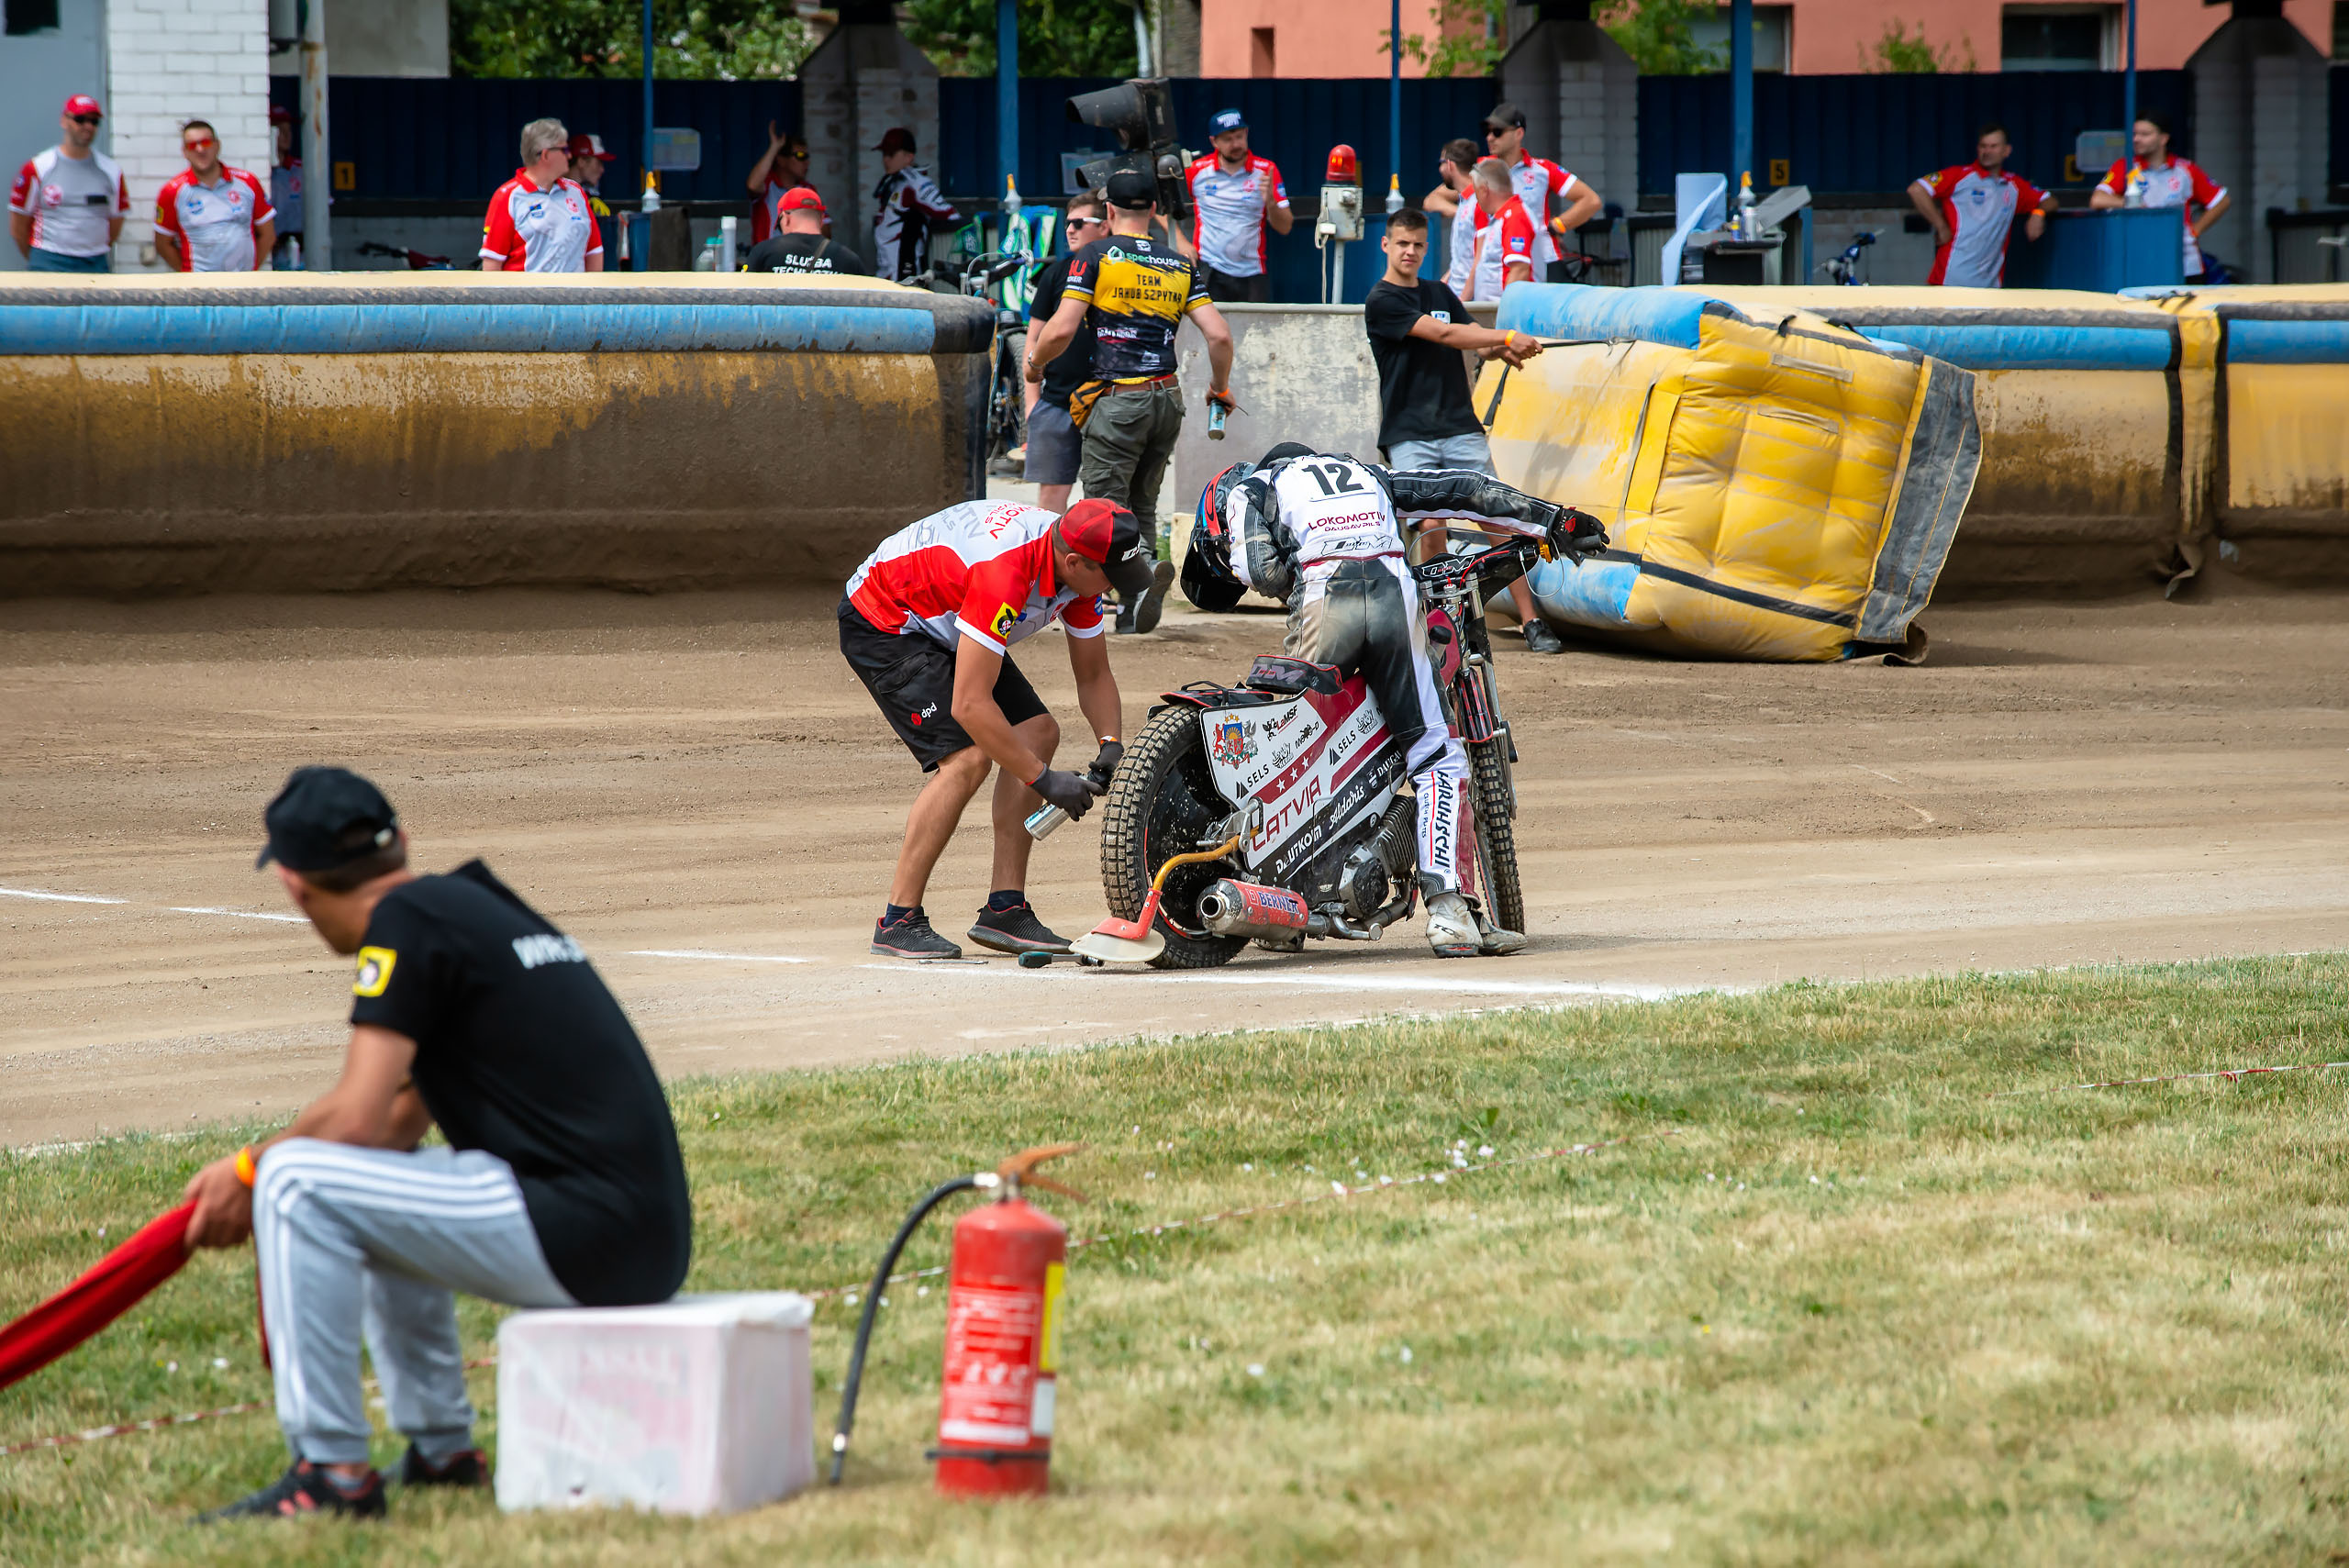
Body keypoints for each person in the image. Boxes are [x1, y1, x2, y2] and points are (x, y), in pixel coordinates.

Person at [184, 766, 691, 1521]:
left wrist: (251, 1167)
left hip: (588, 1229)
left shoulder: (405, 924)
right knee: (375, 1171)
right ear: (404, 844)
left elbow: (356, 1114)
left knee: (294, 1180)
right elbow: (390, 1127)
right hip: (639, 1234)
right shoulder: (476, 904)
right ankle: (443, 1453)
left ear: (294, 884)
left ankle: (331, 1474)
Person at [1185, 447, 1603, 955]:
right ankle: (1449, 914)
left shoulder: (1255, 485)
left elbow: (1262, 572)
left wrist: (1303, 576)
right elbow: (1464, 490)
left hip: (1323, 598)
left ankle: (1282, 905)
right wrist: (1555, 519)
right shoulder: (1366, 473)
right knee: (1436, 754)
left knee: (1295, 745)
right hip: (1392, 593)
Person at [841, 497, 1151, 960]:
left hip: (949, 614)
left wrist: (1111, 743)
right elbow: (969, 705)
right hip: (887, 620)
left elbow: (1093, 675)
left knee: (1037, 733)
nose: (1113, 588)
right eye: (1110, 577)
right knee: (967, 758)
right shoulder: (1004, 572)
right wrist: (1043, 779)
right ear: (1074, 562)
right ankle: (898, 919)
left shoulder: (1078, 573)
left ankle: (1004, 909)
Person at [1026, 169, 1236, 634]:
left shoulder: (1095, 256)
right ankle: (1137, 596)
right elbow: (1219, 335)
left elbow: (1060, 329)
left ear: (1108, 211)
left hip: (1120, 398)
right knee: (1141, 502)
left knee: (1103, 508)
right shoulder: (1181, 264)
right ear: (1155, 212)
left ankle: (1129, 591)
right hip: (1168, 398)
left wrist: (1035, 366)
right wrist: (1219, 387)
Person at [1364, 208, 1561, 653]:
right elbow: (1446, 335)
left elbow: (1469, 335)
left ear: (1425, 248)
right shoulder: (1383, 300)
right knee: (1431, 523)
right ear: (1386, 245)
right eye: (1402, 244)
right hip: (1410, 433)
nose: (1410, 251)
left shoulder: (1439, 291)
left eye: (1417, 244)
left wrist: (1498, 351)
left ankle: (1532, 621)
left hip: (1460, 426)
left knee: (1498, 519)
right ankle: (1442, 626)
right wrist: (1507, 336)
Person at [1022, 192, 1108, 514]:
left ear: (1105, 226)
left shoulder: (1116, 269)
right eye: (1067, 223)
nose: (1069, 229)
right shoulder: (1056, 274)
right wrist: (1032, 403)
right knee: (1049, 505)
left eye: (1079, 222)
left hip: (1106, 403)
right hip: (1057, 404)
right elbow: (1034, 338)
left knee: (1103, 502)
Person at [2091, 111, 2231, 284]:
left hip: (2184, 261)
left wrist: (2196, 230)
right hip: (2141, 258)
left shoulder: (2185, 170)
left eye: (2145, 134)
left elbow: (2221, 201)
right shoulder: (2126, 166)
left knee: (2186, 310)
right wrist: (2131, 203)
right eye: (2134, 134)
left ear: (2163, 139)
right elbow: (2097, 200)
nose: (2136, 139)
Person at [1909, 124, 2054, 289]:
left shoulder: (2013, 185)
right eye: (1983, 146)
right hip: (1950, 280)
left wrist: (2038, 213)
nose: (1987, 151)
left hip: (1989, 287)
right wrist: (1940, 225)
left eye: (1993, 146)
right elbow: (1916, 189)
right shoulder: (1960, 176)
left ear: (2006, 151)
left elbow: (2050, 201)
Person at [1481, 101, 1601, 283]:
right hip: (1496, 260)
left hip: (1542, 258)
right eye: (1487, 132)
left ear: (1518, 134)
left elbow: (1591, 200)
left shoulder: (1542, 170)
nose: (1490, 138)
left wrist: (1559, 225)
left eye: (1497, 132)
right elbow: (1436, 197)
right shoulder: (1481, 168)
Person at [1181, 108, 1292, 303]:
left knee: (1255, 331)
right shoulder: (1197, 171)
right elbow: (1160, 206)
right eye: (1227, 139)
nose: (1236, 144)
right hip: (1209, 268)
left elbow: (1285, 227)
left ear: (1247, 134)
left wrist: (1271, 202)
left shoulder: (1266, 170)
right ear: (1214, 142)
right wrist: (1182, 243)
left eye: (1239, 137)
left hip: (1252, 271)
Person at [9, 94, 128, 274]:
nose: (88, 127)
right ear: (64, 121)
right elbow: (18, 225)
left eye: (94, 122)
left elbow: (116, 222)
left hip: (94, 263)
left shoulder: (111, 171)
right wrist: (40, 258)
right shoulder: (38, 167)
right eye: (80, 120)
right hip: (49, 259)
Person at [481, 119, 602, 273]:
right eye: (564, 150)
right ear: (545, 155)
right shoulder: (509, 196)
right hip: (525, 297)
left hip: (574, 297)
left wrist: (592, 296)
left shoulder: (576, 192)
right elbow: (492, 262)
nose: (570, 155)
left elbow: (594, 250)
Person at [154, 119, 275, 273]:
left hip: (244, 286)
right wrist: (188, 276)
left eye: (205, 143)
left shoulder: (247, 182)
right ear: (184, 152)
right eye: (192, 145)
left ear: (217, 145)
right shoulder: (172, 192)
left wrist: (250, 270)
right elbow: (163, 244)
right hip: (198, 289)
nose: (199, 150)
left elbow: (268, 235)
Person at [871, 126, 958, 283]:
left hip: (904, 276)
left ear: (909, 157)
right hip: (885, 274)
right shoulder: (892, 183)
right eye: (884, 154)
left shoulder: (916, 184)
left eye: (891, 154)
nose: (886, 159)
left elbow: (951, 216)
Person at [739, 185, 869, 276]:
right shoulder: (850, 260)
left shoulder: (762, 253)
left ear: (786, 218)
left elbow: (744, 298)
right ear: (822, 219)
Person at [1464, 157, 1538, 303]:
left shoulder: (1515, 216)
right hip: (1493, 312)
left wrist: (1504, 313)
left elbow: (1519, 270)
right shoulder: (1500, 219)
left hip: (1506, 314)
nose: (1476, 199)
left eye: (1476, 192)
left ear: (1484, 190)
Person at [1420, 137, 1483, 297]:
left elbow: (1481, 258)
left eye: (1440, 163)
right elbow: (1463, 256)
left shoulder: (1479, 204)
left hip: (1470, 297)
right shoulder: (1465, 201)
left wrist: (1463, 301)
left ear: (1449, 164)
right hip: (1458, 293)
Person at [746, 123, 812, 245]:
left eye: (807, 157)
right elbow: (752, 186)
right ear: (781, 159)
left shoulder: (808, 190)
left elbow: (825, 231)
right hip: (767, 260)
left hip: (799, 260)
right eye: (800, 156)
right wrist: (774, 147)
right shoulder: (768, 185)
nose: (806, 162)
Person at [566, 132, 618, 259]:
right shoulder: (553, 188)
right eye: (598, 162)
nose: (602, 169)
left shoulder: (590, 194)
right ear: (582, 161)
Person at [269, 106, 304, 267]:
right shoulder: (261, 171)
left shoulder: (302, 170)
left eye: (289, 130)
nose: (287, 136)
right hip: (272, 255)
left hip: (303, 252)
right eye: (280, 130)